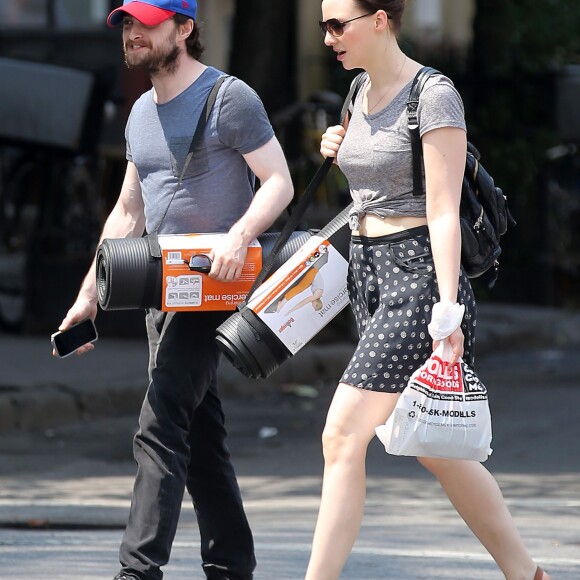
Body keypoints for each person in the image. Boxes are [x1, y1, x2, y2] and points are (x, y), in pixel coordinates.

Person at [305, 2, 549, 579]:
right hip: (368, 275)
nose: (328, 37)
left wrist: (448, 313)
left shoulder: (433, 95)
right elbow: (370, 192)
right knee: (436, 448)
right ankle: (527, 573)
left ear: (381, 20)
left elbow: (441, 211)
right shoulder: (356, 93)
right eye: (323, 25)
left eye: (338, 24)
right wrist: (338, 150)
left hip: (418, 280)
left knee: (341, 436)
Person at [55, 1, 293, 579]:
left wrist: (239, 235)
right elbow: (127, 212)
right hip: (161, 294)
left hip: (213, 291)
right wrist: (89, 293)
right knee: (200, 435)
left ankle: (137, 571)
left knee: (159, 424)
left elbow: (279, 181)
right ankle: (233, 566)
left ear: (184, 29)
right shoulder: (140, 112)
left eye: (146, 24)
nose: (132, 34)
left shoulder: (228, 98)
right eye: (126, 25)